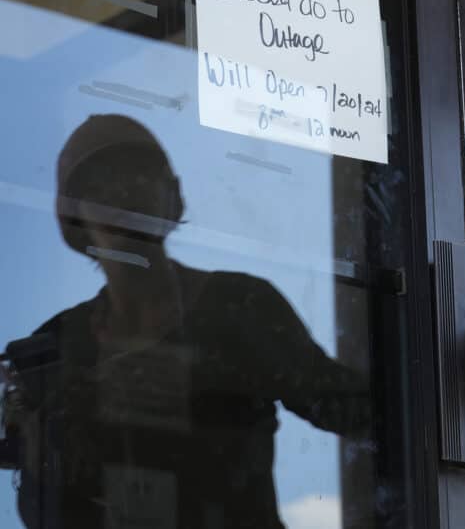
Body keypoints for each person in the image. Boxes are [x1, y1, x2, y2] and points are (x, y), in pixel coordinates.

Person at [0, 115, 370, 529]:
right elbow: (41, 508)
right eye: (101, 185)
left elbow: (354, 410)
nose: (123, 193)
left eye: (139, 175)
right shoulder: (53, 348)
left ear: (171, 196)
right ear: (75, 220)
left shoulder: (242, 307)